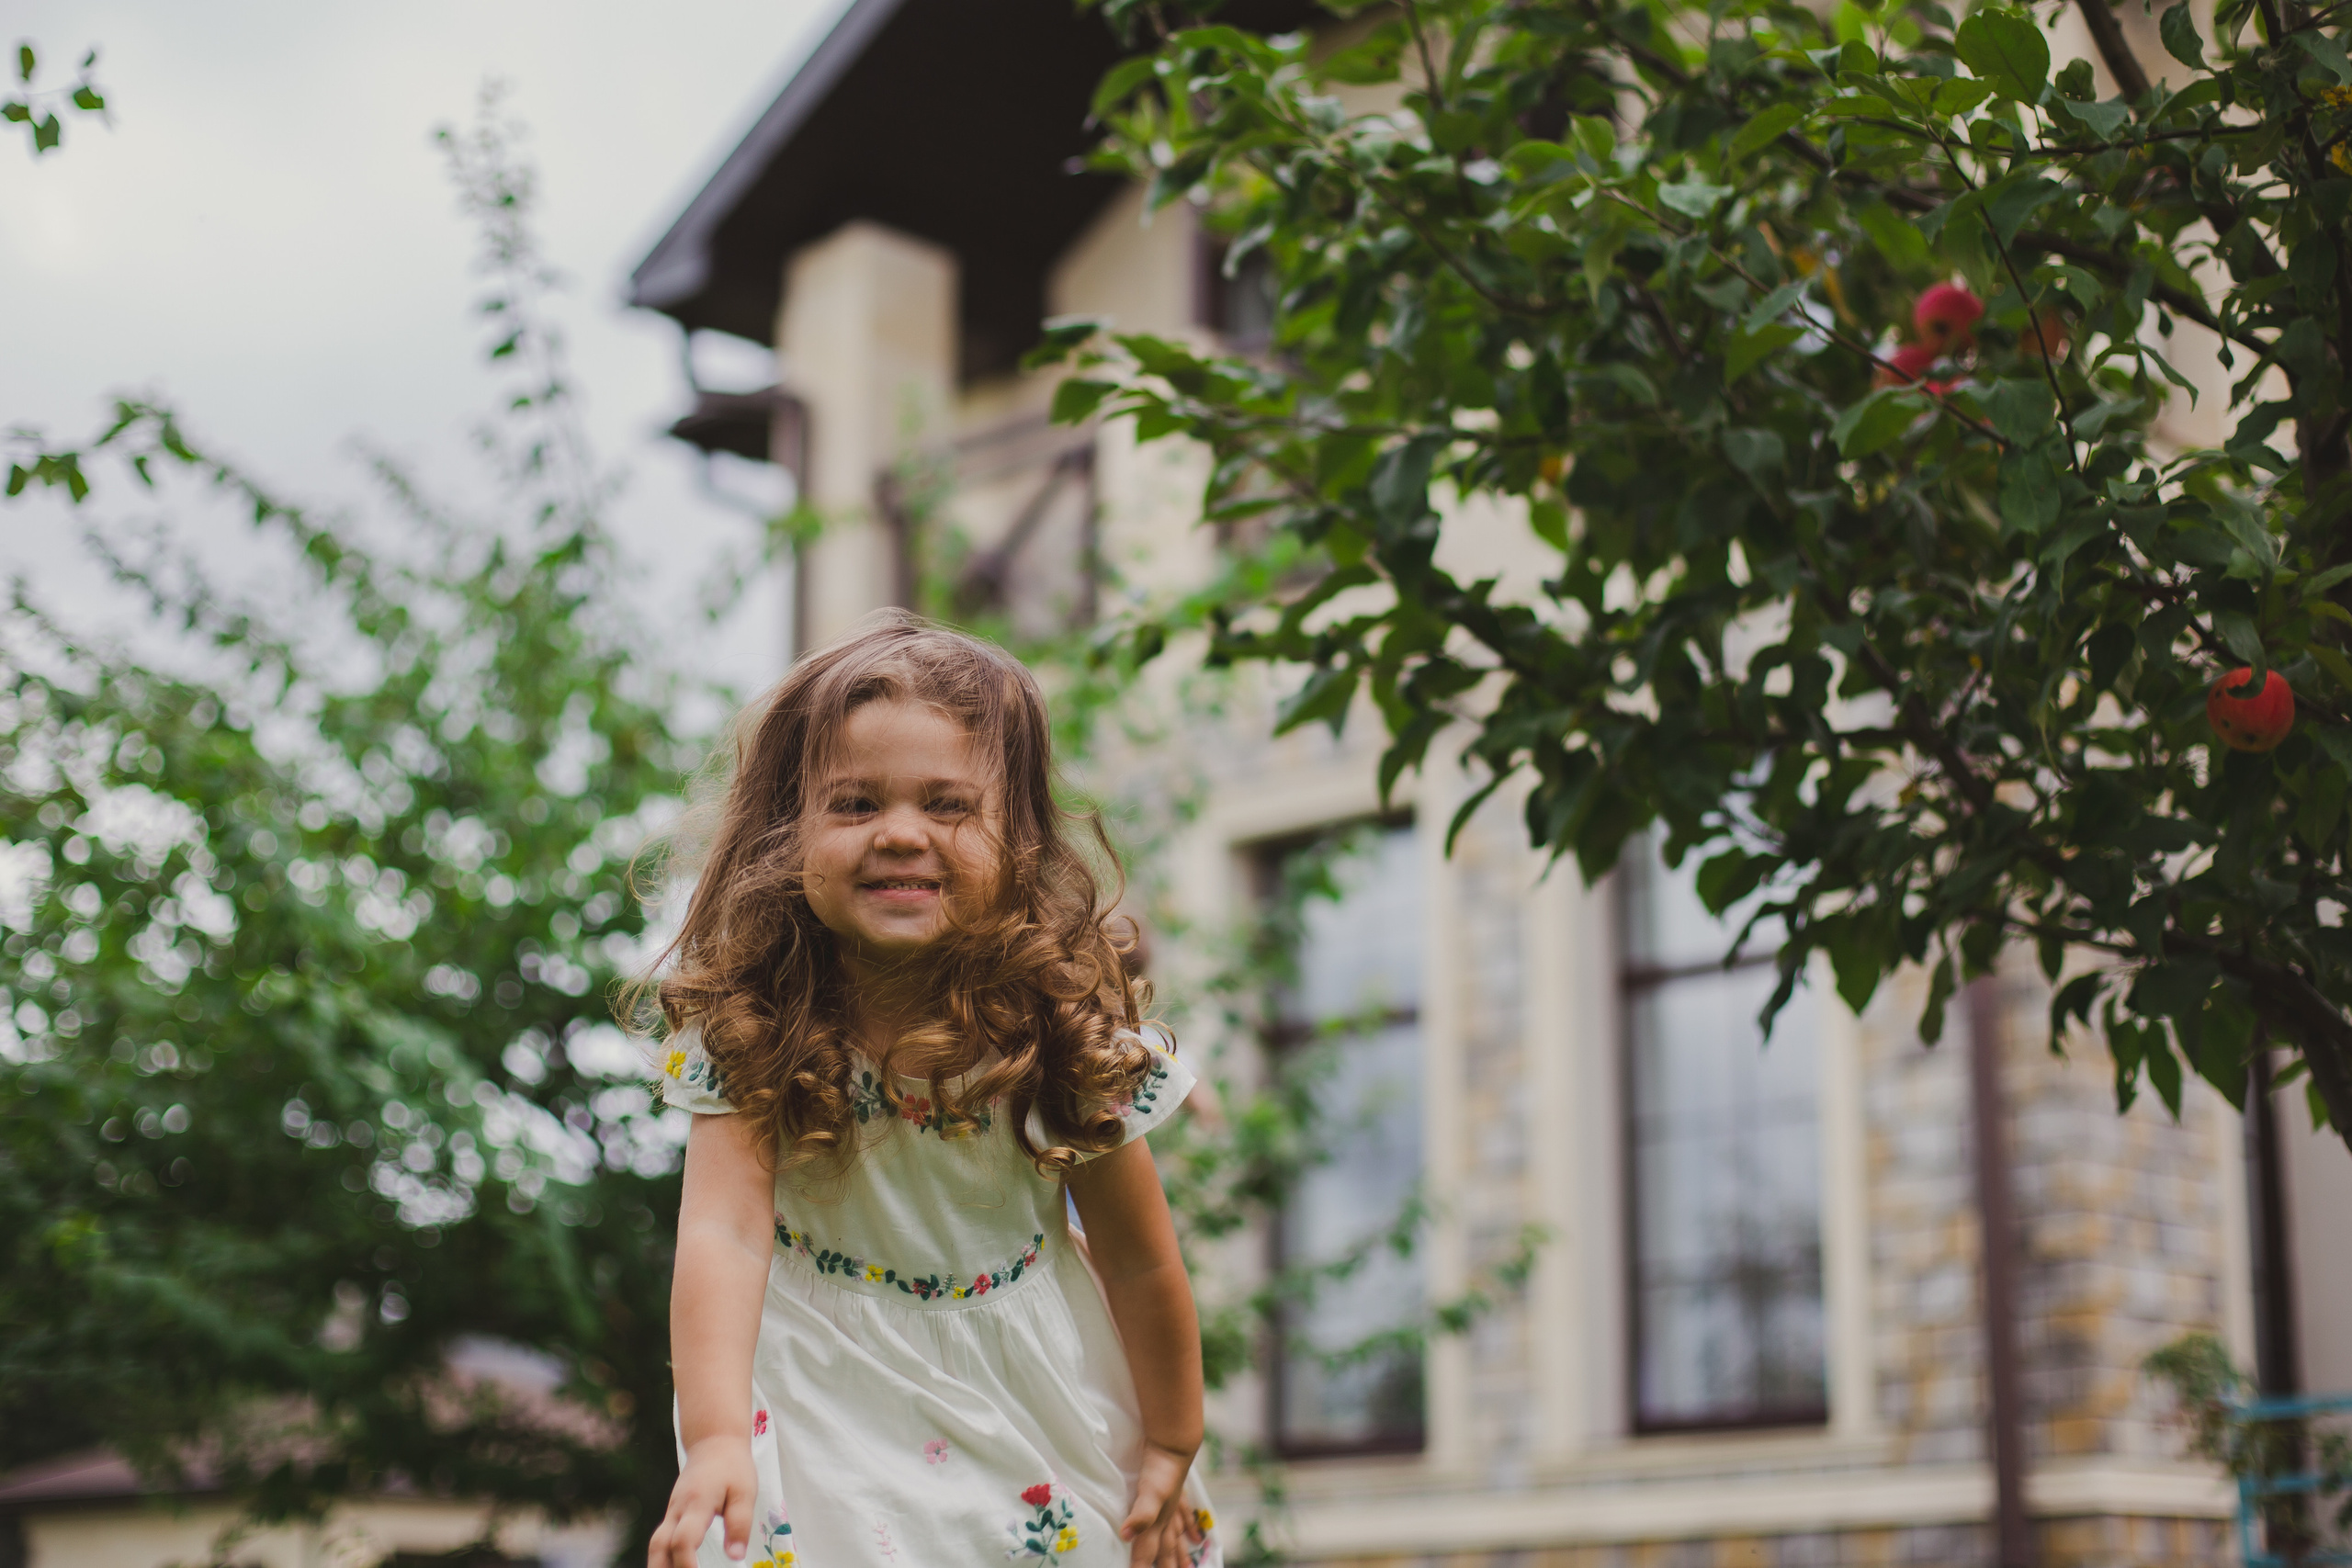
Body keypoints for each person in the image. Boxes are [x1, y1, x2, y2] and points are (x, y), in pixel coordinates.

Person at [634, 613, 1216, 1568]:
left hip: (1028, 1380)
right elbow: (722, 1234)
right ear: (790, 835)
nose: (901, 834)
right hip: (823, 1378)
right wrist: (716, 1440)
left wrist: (1170, 1436)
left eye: (947, 806)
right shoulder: (755, 1027)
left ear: (1017, 840)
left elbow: (1141, 1261)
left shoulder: (1058, 1033)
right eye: (855, 805)